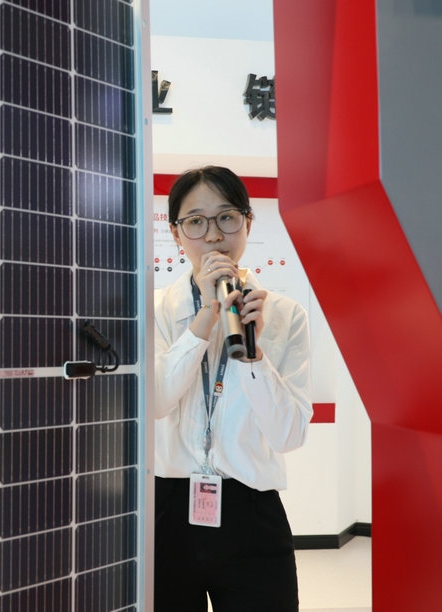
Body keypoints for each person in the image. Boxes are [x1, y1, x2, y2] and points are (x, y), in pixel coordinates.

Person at [153, 166, 312, 611]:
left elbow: (289, 435)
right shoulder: (154, 309)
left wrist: (253, 353)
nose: (213, 235)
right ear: (176, 234)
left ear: (247, 224)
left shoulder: (284, 315)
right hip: (168, 508)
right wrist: (206, 317)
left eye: (226, 217)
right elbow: (156, 403)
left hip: (251, 512)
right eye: (195, 221)